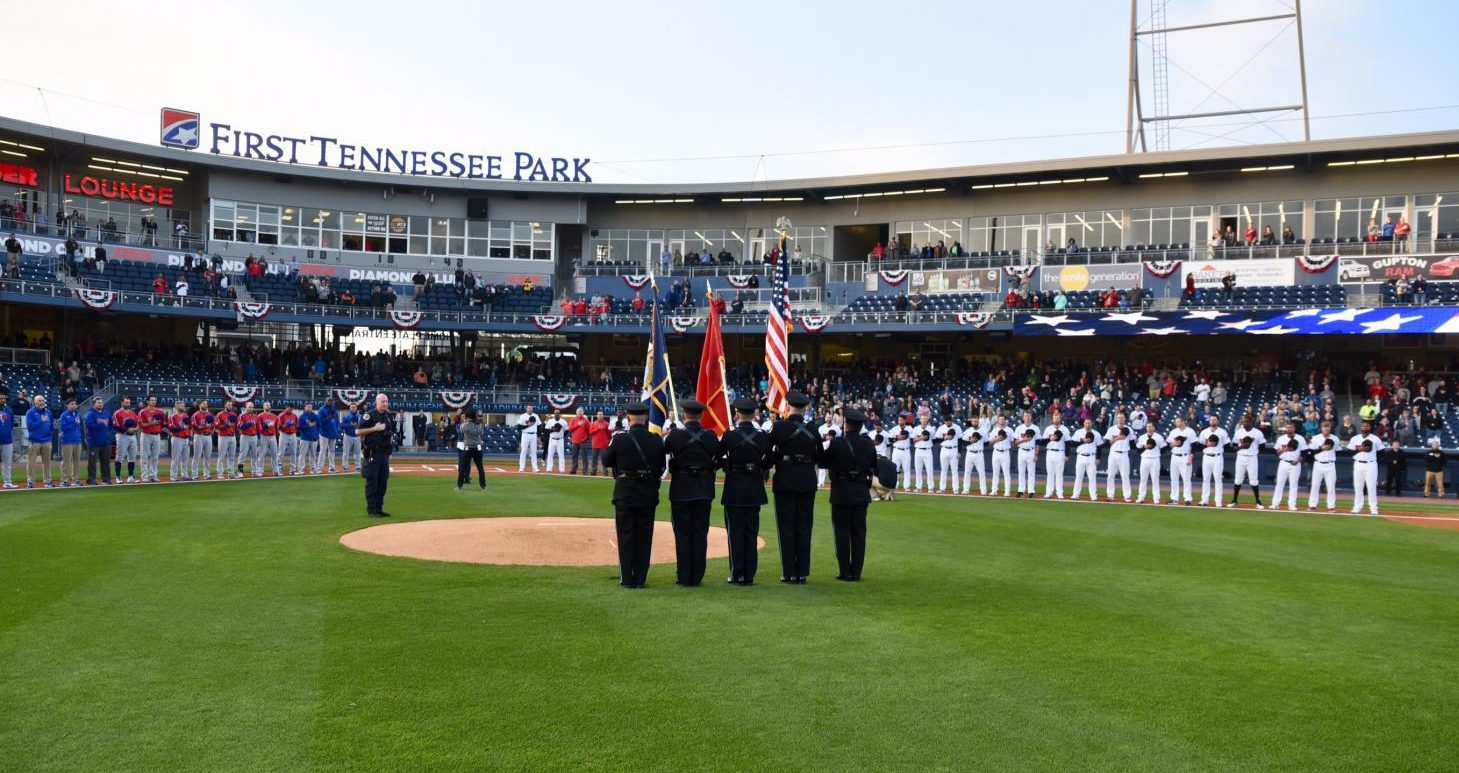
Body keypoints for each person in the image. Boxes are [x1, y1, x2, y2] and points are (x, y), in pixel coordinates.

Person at [602, 402, 666, 588]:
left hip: (625, 493)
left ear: (629, 418)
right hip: (647, 493)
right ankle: (640, 578)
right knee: (645, 537)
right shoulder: (655, 440)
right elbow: (661, 465)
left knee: (625, 535)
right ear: (646, 418)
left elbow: (606, 461)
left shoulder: (620, 439)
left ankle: (627, 578)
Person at [664, 400, 720, 587]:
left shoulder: (675, 436)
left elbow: (664, 452)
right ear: (701, 415)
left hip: (681, 488)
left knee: (682, 534)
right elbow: (718, 459)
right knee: (700, 533)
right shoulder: (710, 437)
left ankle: (684, 575)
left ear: (684, 415)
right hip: (704, 488)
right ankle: (697, 576)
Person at [717, 398, 772, 585]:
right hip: (754, 488)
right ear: (754, 414)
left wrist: (729, 466)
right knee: (751, 532)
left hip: (734, 488)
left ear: (738, 414)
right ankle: (749, 575)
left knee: (735, 533)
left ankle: (737, 572)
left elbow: (718, 458)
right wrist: (756, 467)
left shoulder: (730, 435)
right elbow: (769, 460)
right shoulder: (762, 435)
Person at [768, 392, 820, 584]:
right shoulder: (812, 429)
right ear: (805, 408)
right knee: (804, 527)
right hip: (806, 480)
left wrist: (779, 460)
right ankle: (802, 573)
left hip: (785, 481)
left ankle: (789, 572)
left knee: (786, 527)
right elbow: (819, 457)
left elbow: (767, 451)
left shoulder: (779, 427)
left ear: (788, 407)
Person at [820, 408, 876, 581]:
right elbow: (874, 465)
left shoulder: (837, 443)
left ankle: (845, 571)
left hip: (841, 493)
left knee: (842, 533)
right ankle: (857, 572)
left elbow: (823, 462)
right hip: (861, 492)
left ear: (847, 424)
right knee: (859, 534)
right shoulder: (868, 444)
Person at [356, 393, 397, 518]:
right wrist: (374, 428)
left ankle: (379, 509)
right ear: (377, 402)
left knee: (382, 483)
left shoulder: (389, 416)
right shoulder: (369, 415)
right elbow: (358, 431)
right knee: (372, 482)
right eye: (382, 401)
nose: (385, 403)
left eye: (386, 401)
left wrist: (390, 452)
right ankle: (371, 511)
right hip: (373, 453)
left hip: (384, 454)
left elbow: (390, 434)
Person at [1228, 415, 1266, 508]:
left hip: (1252, 457)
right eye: (1243, 421)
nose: (1244, 423)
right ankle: (1234, 500)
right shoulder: (1239, 432)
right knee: (1238, 479)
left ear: (1251, 422)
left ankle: (1258, 501)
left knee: (1253, 480)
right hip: (1241, 457)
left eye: (1246, 421)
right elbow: (1233, 447)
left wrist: (1253, 450)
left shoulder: (1257, 433)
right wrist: (1242, 446)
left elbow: (1263, 447)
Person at [1270, 421, 1308, 511]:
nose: (1288, 429)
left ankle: (1292, 504)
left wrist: (1298, 460)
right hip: (1283, 462)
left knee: (1294, 485)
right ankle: (1275, 504)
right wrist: (1285, 449)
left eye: (1290, 427)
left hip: (1295, 464)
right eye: (1287, 427)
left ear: (1294, 428)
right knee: (1279, 484)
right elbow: (1276, 452)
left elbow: (1305, 454)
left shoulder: (1300, 438)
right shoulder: (1281, 439)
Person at [1347, 420, 1380, 516]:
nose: (1365, 427)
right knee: (1358, 487)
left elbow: (1381, 453)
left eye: (1367, 426)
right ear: (1360, 427)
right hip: (1358, 464)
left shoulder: (1375, 439)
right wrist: (1359, 449)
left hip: (1371, 464)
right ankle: (1357, 507)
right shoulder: (1355, 438)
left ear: (1370, 428)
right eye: (1363, 426)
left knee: (1372, 487)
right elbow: (1349, 452)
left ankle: (1373, 508)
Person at [1197, 416, 1230, 507]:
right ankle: (1204, 500)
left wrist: (1216, 446)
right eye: (1211, 419)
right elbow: (1199, 445)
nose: (1212, 421)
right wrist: (1208, 445)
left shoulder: (1222, 432)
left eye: (1214, 419)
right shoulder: (1204, 432)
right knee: (1206, 479)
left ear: (1218, 421)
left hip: (1217, 456)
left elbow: (1227, 446)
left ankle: (1218, 501)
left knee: (1218, 479)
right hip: (1206, 456)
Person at [1166, 417, 1198, 505]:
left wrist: (1191, 457)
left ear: (1183, 422)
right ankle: (1174, 498)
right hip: (1174, 456)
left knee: (1186, 478)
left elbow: (1194, 445)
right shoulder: (1173, 432)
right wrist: (1173, 444)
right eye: (1176, 422)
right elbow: (1169, 443)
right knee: (1174, 478)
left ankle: (1188, 498)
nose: (1176, 423)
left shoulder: (1190, 431)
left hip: (1185, 456)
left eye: (1178, 421)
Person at [82, 396, 113, 486]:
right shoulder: (90, 414)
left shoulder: (106, 413)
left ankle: (106, 479)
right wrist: (102, 424)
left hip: (105, 442)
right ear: (94, 404)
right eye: (98, 403)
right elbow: (90, 426)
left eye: (101, 402)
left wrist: (106, 430)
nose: (100, 404)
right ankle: (91, 479)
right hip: (93, 442)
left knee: (106, 462)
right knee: (92, 462)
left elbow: (111, 424)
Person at [25, 395, 54, 488]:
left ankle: (48, 481)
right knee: (31, 462)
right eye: (40, 400)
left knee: (47, 462)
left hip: (47, 440)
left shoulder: (48, 412)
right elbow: (30, 427)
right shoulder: (30, 412)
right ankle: (31, 482)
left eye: (43, 400)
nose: (42, 402)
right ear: (35, 402)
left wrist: (50, 434)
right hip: (34, 441)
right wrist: (41, 421)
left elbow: (52, 426)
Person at [1069, 423, 1103, 501]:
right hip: (1081, 455)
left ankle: (1093, 495)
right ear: (1084, 423)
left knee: (1092, 477)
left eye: (1089, 423)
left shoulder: (1096, 434)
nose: (1087, 424)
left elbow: (1099, 446)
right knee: (1078, 477)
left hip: (1091, 456)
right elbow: (1073, 443)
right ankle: (1075, 495)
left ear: (1092, 424)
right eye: (1086, 423)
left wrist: (1098, 458)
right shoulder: (1078, 432)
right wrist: (1083, 441)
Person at [1104, 415, 1134, 502]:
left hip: (1124, 454)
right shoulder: (1111, 429)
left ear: (1125, 419)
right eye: (1119, 418)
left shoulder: (1129, 429)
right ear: (1117, 419)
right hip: (1113, 453)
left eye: (1122, 418)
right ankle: (1110, 495)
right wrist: (1118, 438)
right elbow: (1106, 443)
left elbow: (1132, 445)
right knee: (1110, 475)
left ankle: (1127, 495)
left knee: (1125, 476)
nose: (1120, 419)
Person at [1134, 423, 1165, 504]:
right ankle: (1141, 497)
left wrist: (1157, 452)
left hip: (1155, 459)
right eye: (1147, 426)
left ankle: (1156, 498)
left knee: (1155, 479)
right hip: (1144, 459)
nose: (1148, 428)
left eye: (1150, 426)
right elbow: (1138, 449)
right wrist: (1145, 447)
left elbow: (1164, 448)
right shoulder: (1142, 437)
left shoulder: (1158, 437)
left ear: (1154, 428)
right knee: (1143, 479)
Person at [111, 396, 139, 483]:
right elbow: (115, 426)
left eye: (129, 402)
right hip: (122, 436)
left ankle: (131, 476)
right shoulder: (117, 413)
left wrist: (135, 429)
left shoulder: (132, 413)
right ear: (122, 403)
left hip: (132, 436)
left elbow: (137, 423)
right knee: (120, 456)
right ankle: (118, 476)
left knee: (132, 457)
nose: (128, 404)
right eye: (126, 402)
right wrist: (126, 429)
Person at [1041, 414, 1069, 499]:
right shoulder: (1048, 429)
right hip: (1050, 451)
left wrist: (1067, 455)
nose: (1056, 419)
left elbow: (1067, 442)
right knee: (1050, 473)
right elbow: (1043, 441)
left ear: (1060, 419)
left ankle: (1059, 492)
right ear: (1052, 419)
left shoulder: (1065, 429)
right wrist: (1050, 438)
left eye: (1057, 418)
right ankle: (1048, 492)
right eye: (1054, 418)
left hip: (1060, 452)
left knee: (1059, 473)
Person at [1013, 412, 1040, 498]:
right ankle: (1021, 491)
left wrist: (1036, 454)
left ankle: (1031, 491)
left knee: (1031, 472)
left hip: (1031, 451)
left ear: (1031, 417)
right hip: (1021, 451)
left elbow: (1038, 443)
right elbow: (1015, 443)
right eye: (1025, 416)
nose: (1027, 417)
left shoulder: (1036, 428)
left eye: (1029, 415)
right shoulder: (1019, 428)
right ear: (1023, 417)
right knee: (1021, 472)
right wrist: (1024, 440)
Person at [960, 414, 988, 496]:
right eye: (973, 421)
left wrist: (979, 444)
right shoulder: (968, 431)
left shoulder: (983, 431)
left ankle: (983, 490)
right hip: (969, 453)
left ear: (978, 421)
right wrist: (970, 442)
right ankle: (966, 489)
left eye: (976, 421)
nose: (974, 422)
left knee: (981, 472)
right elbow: (963, 443)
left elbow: (986, 443)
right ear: (971, 422)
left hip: (979, 453)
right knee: (967, 472)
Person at [457, 409, 486, 490]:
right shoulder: (480, 425)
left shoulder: (463, 425)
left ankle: (459, 486)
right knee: (480, 468)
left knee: (462, 468)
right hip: (477, 448)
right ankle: (483, 486)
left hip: (467, 449)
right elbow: (481, 434)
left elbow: (462, 435)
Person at [58, 399, 83, 487]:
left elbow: (81, 428)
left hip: (77, 441)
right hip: (67, 441)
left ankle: (75, 479)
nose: (74, 406)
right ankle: (64, 480)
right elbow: (64, 428)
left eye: (75, 404)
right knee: (66, 462)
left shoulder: (79, 415)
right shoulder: (64, 415)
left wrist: (81, 439)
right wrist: (74, 422)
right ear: (67, 405)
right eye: (71, 404)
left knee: (76, 462)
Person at [935, 415, 962, 494]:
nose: (947, 422)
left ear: (951, 420)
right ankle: (942, 488)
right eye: (946, 421)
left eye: (948, 421)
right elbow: (936, 440)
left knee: (954, 470)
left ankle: (956, 489)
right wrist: (944, 438)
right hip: (944, 449)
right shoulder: (941, 428)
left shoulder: (957, 427)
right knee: (943, 470)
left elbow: (960, 440)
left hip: (954, 449)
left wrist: (959, 452)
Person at [166, 401, 192, 482]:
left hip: (186, 438)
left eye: (184, 405)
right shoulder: (173, 416)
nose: (183, 407)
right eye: (181, 405)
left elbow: (190, 428)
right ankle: (173, 476)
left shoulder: (186, 416)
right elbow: (171, 429)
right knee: (175, 458)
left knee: (186, 458)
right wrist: (181, 427)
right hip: (177, 438)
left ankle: (185, 475)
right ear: (176, 406)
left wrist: (190, 439)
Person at [189, 400, 214, 480]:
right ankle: (194, 475)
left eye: (206, 404)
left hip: (208, 436)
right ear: (200, 405)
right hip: (199, 435)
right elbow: (194, 427)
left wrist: (211, 433)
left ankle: (207, 474)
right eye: (204, 403)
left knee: (208, 456)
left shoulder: (210, 414)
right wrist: (205, 426)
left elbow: (213, 426)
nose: (206, 405)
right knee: (197, 456)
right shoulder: (195, 415)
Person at [214, 400, 238, 479]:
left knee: (231, 456)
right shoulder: (220, 414)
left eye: (231, 405)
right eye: (228, 405)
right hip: (223, 436)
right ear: (225, 405)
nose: (230, 406)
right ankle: (220, 473)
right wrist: (225, 425)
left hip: (232, 436)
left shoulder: (234, 414)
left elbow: (235, 426)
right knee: (222, 456)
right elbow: (216, 426)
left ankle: (231, 473)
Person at [317, 398, 341, 473]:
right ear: (326, 401)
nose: (330, 402)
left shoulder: (334, 410)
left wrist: (336, 430)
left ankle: (331, 467)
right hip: (324, 433)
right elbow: (319, 421)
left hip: (333, 433)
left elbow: (337, 421)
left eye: (331, 401)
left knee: (332, 451)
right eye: (328, 400)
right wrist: (329, 417)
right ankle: (319, 468)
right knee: (323, 450)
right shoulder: (322, 410)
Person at [256, 402, 280, 478]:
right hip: (264, 436)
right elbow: (258, 427)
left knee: (275, 454)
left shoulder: (274, 416)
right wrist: (264, 426)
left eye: (269, 405)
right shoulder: (260, 416)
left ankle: (276, 470)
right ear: (263, 406)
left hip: (272, 436)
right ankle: (260, 470)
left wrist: (275, 433)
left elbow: (276, 427)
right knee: (261, 454)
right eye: (266, 405)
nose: (268, 406)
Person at [295, 402, 320, 474]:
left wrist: (316, 434)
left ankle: (314, 469)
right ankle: (301, 469)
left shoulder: (315, 416)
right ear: (305, 408)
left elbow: (318, 426)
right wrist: (308, 426)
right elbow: (299, 427)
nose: (309, 408)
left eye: (311, 407)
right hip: (305, 438)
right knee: (302, 454)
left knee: (313, 455)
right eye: (308, 407)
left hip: (314, 438)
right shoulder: (302, 417)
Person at [517, 405, 540, 473]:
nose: (530, 409)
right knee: (523, 451)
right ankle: (521, 468)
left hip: (533, 434)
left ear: (533, 409)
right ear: (526, 409)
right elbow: (518, 427)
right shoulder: (522, 416)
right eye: (529, 408)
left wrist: (539, 436)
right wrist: (528, 425)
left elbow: (539, 426)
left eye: (531, 408)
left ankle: (535, 468)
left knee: (534, 452)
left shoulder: (536, 416)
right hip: (525, 434)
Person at [568, 408, 590, 474]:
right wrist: (578, 425)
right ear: (576, 413)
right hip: (575, 441)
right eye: (578, 411)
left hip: (583, 441)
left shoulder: (586, 421)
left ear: (583, 413)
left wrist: (586, 438)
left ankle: (585, 470)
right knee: (574, 456)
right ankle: (574, 469)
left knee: (584, 456)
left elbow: (590, 430)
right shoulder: (573, 420)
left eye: (581, 411)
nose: (580, 413)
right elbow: (570, 429)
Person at [340, 404, 362, 473]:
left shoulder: (360, 416)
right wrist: (349, 424)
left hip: (357, 435)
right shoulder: (346, 416)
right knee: (346, 452)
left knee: (358, 452)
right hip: (348, 435)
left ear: (356, 408)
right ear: (350, 408)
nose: (353, 408)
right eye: (352, 407)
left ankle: (358, 467)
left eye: (354, 407)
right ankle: (345, 467)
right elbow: (341, 426)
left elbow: (362, 425)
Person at [0, 388, 14, 489]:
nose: (3, 400)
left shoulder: (9, 410)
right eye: (1, 398)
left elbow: (11, 424)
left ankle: (7, 482)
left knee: (7, 463)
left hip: (7, 440)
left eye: (4, 398)